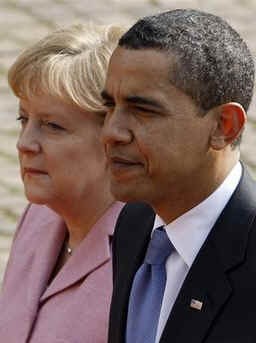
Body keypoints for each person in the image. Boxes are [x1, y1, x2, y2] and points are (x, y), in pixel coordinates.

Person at [101, 9, 256, 343]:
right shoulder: (134, 224)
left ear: (223, 126)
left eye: (143, 110)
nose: (111, 131)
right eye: (109, 106)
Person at [0, 23, 125, 343]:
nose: (25, 143)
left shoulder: (143, 259)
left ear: (111, 138)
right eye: (23, 119)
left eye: (52, 126)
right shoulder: (40, 213)